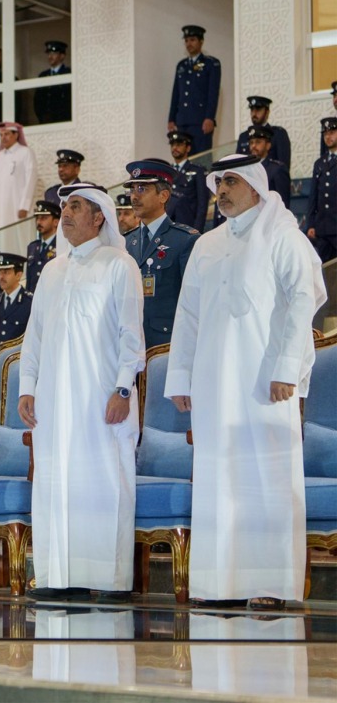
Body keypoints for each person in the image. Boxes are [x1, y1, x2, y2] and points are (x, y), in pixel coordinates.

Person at [166, 153, 326, 609]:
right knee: (220, 477)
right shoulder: (207, 244)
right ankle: (219, 585)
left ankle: (270, 586)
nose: (221, 190)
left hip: (264, 382)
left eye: (231, 181)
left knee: (265, 478)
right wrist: (181, 375)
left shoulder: (282, 235)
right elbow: (189, 313)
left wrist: (285, 368)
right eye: (218, 182)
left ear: (255, 186)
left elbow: (304, 300)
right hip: (216, 382)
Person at [17, 183, 145, 602]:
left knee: (105, 481)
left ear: (99, 218)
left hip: (103, 399)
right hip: (54, 403)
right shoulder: (52, 270)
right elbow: (33, 337)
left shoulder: (119, 264)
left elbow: (131, 335)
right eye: (64, 207)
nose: (66, 213)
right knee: (56, 482)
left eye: (76, 206)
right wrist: (27, 387)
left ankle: (108, 580)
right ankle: (58, 576)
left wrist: (123, 389)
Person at [121, 160, 200, 348]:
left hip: (167, 346)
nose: (134, 197)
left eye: (142, 189)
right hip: (129, 346)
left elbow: (194, 302)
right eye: (132, 190)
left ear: (163, 195)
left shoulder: (184, 240)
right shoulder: (124, 243)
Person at [168, 24, 221, 152]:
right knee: (183, 158)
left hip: (200, 120)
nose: (189, 44)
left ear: (201, 41)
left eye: (192, 40)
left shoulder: (211, 64)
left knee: (201, 159)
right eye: (186, 40)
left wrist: (209, 117)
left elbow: (213, 93)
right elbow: (176, 93)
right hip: (182, 121)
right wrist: (171, 118)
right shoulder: (181, 65)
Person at [0, 122, 35, 229]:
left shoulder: (26, 152)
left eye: (7, 134)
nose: (3, 138)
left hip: (18, 208)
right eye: (1, 135)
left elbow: (31, 180)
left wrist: (24, 206)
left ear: (16, 135)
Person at [306, 117, 337, 261]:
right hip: (323, 228)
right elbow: (314, 196)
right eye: (325, 134)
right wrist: (311, 224)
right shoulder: (319, 163)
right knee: (325, 271)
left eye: (332, 132)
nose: (328, 137)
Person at [166, 130, 208, 230]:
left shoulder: (197, 171)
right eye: (172, 145)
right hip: (168, 226)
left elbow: (202, 204)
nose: (174, 148)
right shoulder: (167, 171)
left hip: (187, 226)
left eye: (179, 145)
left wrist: (197, 231)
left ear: (188, 148)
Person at [236, 95, 291, 167]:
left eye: (258, 109)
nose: (254, 113)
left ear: (267, 112)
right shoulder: (243, 136)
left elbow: (283, 165)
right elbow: (238, 165)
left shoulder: (278, 134)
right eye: (252, 110)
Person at [242, 124, 291, 203]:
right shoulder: (246, 170)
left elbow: (283, 203)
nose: (253, 146)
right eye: (251, 142)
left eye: (258, 142)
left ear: (268, 145)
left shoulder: (277, 169)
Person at [0, 253, 32, 347]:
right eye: (0, 272)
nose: (1, 277)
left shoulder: (29, 302)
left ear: (18, 275)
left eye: (6, 272)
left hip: (18, 359)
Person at [34, 40, 72, 124]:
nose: (50, 57)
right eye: (49, 54)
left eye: (54, 53)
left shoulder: (69, 73)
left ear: (62, 56)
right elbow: (37, 101)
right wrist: (42, 117)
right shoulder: (43, 75)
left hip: (64, 119)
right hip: (47, 121)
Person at [25, 200, 60, 290]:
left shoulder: (61, 245)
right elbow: (29, 279)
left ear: (56, 222)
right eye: (37, 218)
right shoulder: (32, 247)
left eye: (44, 218)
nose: (39, 222)